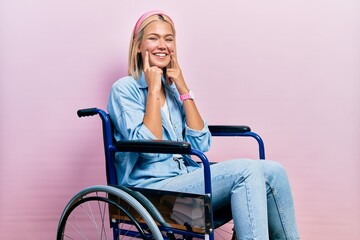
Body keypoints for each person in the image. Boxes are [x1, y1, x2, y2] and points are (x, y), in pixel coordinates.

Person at [107, 10, 300, 240]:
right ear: (138, 46)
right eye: (153, 38)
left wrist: (182, 88)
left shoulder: (171, 90)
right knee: (247, 171)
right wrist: (153, 90)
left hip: (186, 177)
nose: (162, 45)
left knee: (274, 171)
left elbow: (201, 142)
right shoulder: (124, 89)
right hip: (152, 191)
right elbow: (149, 149)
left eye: (168, 39)